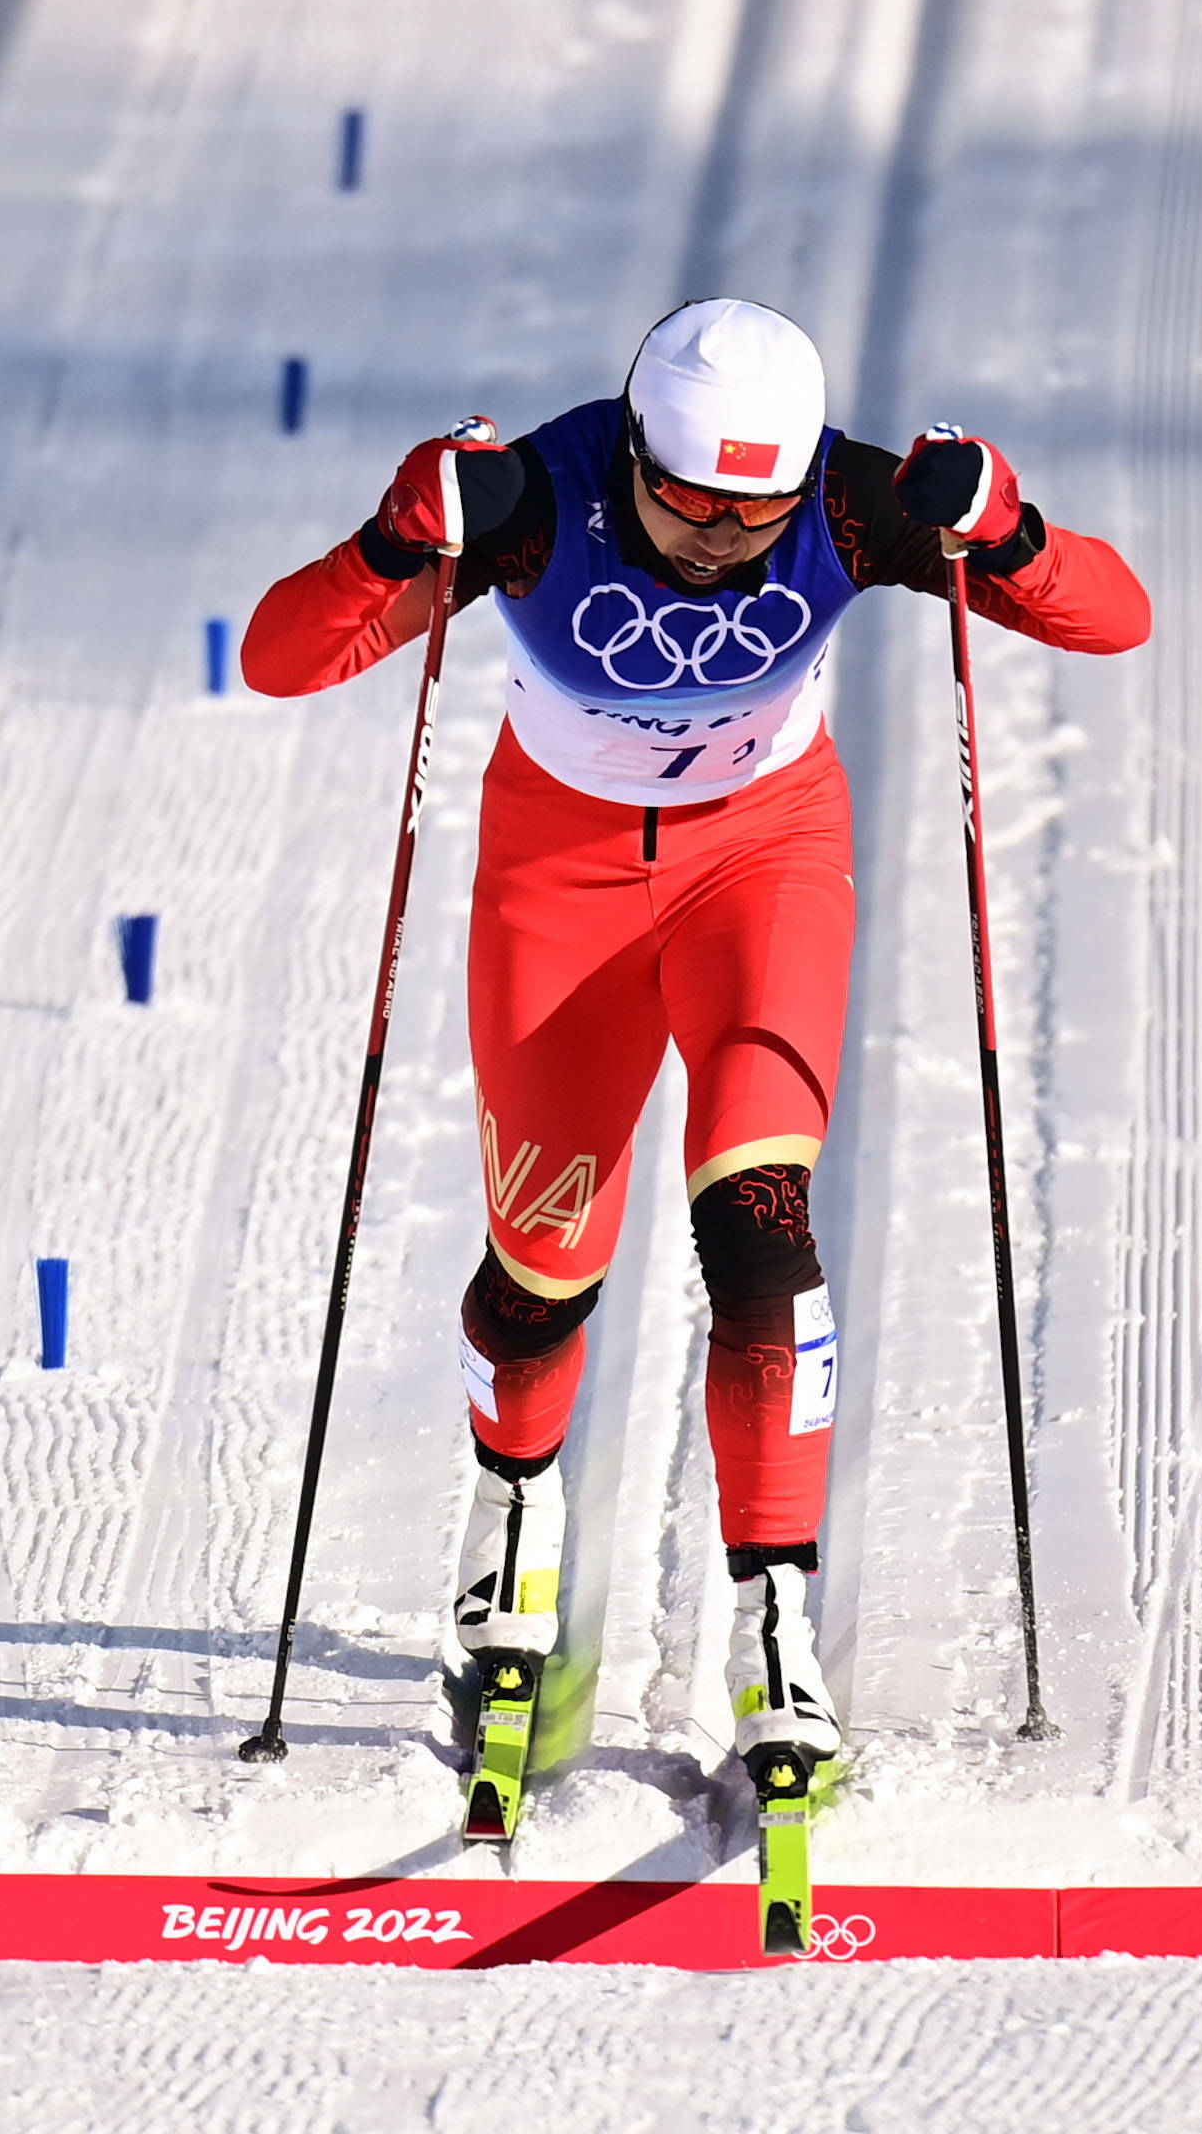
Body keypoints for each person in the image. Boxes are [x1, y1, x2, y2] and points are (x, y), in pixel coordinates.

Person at [241, 297, 1149, 1777]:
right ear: (634, 452)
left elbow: (1117, 618)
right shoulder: (532, 504)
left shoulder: (853, 508)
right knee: (542, 1269)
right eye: (686, 503)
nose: (723, 537)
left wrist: (1008, 525)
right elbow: (287, 657)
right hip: (562, 882)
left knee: (760, 1234)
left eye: (755, 512)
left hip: (761, 867)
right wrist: (395, 541)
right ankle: (513, 1505)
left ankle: (773, 1611)